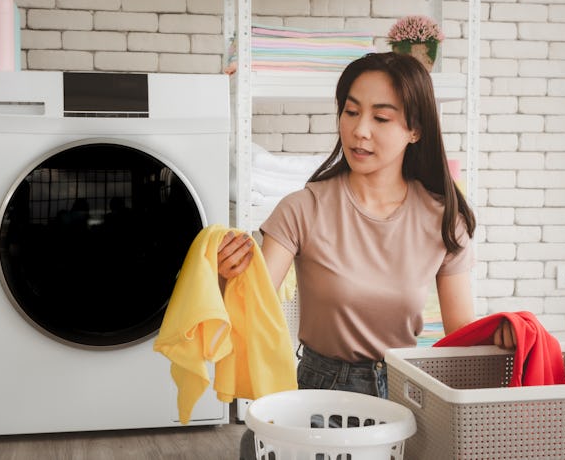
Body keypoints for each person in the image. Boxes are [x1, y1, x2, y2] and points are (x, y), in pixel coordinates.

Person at [218, 52, 514, 458]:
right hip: (320, 395)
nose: (359, 130)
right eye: (351, 112)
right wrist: (223, 279)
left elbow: (460, 333)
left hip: (405, 395)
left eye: (380, 117)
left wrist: (500, 334)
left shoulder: (444, 219)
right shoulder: (302, 208)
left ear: (415, 129)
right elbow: (256, 311)